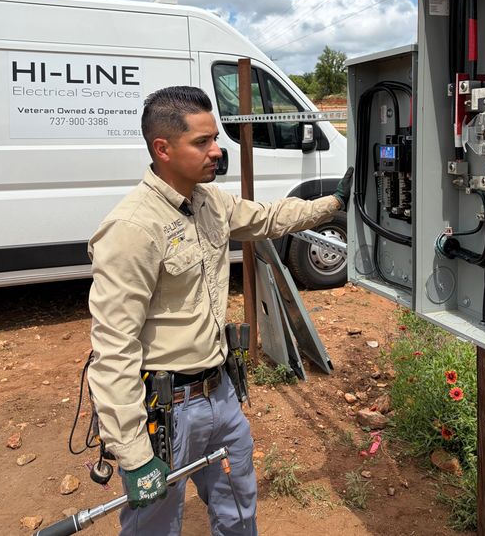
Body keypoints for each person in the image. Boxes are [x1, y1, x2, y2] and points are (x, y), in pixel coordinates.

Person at [87, 85, 353, 536]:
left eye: (216, 139)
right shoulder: (132, 228)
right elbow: (113, 349)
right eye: (202, 142)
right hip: (167, 412)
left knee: (237, 506)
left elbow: (270, 216)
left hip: (220, 394)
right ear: (163, 149)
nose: (217, 151)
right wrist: (133, 454)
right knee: (155, 524)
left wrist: (335, 203)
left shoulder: (210, 201)